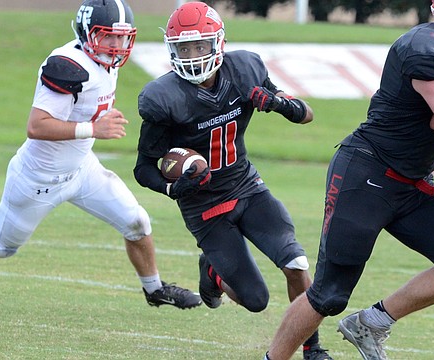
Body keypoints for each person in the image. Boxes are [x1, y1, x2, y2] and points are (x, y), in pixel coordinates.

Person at [134, 2, 333, 359]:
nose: (193, 55)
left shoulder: (245, 69)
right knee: (256, 301)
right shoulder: (163, 98)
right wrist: (170, 187)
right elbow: (144, 167)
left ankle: (312, 348)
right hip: (204, 207)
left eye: (199, 46)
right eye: (184, 48)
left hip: (247, 188)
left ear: (218, 43)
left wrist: (278, 104)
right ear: (172, 50)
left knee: (296, 262)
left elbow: (306, 114)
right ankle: (211, 270)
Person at [264, 1, 434, 359]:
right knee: (328, 294)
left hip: (411, 182)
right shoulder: (428, 45)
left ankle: (372, 322)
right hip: (367, 176)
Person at [0, 0, 202, 310]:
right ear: (87, 32)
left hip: (82, 169)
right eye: (109, 36)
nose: (118, 45)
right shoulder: (67, 66)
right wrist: (93, 129)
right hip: (38, 180)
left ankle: (154, 289)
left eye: (123, 37)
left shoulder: (106, 61)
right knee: (3, 248)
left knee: (136, 222)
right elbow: (36, 126)